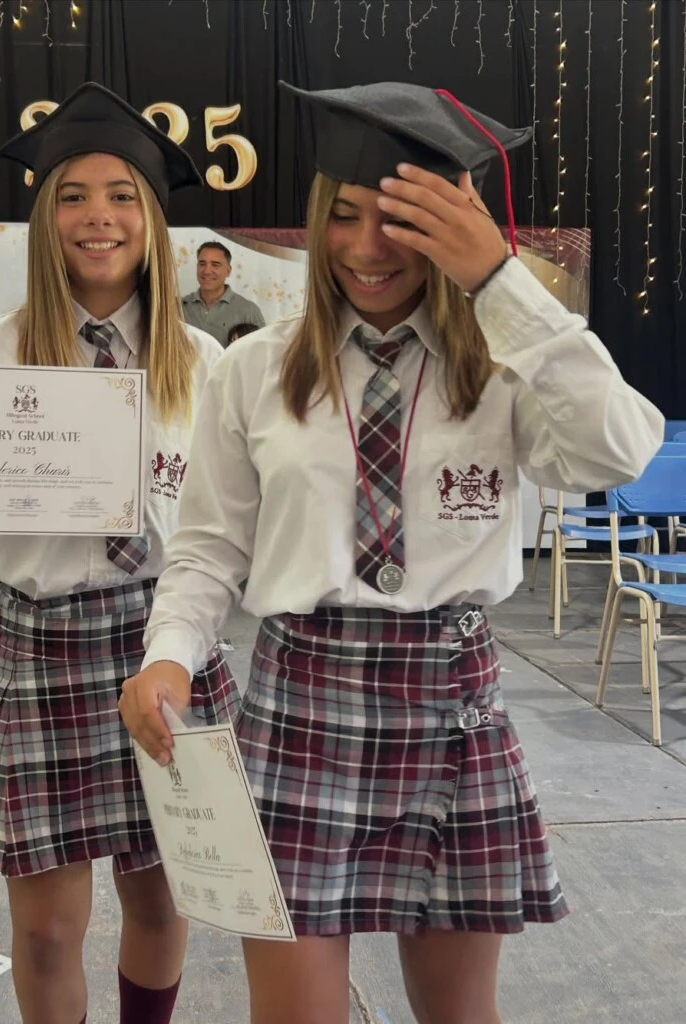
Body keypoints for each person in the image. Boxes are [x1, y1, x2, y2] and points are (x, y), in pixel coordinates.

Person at [119, 81, 665, 1024]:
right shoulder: (255, 368)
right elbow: (208, 545)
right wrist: (168, 653)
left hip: (451, 699)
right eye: (345, 216)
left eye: (400, 221)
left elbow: (618, 450)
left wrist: (501, 287)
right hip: (301, 700)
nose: (367, 248)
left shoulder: (501, 368)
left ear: (452, 225)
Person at [0, 83, 239, 1024]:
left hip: (167, 648)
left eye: (120, 193)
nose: (97, 216)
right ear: (43, 217)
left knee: (162, 893)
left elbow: (232, 528)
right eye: (71, 195)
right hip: (41, 649)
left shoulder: (206, 362)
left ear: (151, 217)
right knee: (42, 929)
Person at [181, 241, 265, 345]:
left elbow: (262, 352)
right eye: (202, 264)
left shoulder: (248, 311)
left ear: (228, 271)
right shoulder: (178, 308)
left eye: (215, 265)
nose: (207, 271)